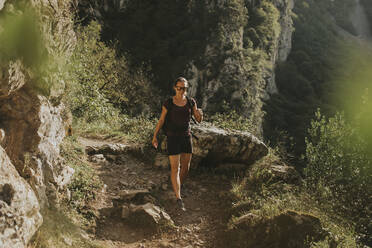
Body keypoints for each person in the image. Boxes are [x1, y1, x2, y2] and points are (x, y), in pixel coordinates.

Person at [152, 77, 203, 211]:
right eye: (179, 88)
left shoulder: (191, 102)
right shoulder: (169, 102)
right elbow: (162, 120)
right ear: (175, 88)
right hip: (173, 138)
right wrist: (155, 136)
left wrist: (199, 114)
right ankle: (178, 197)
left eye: (184, 88)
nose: (181, 90)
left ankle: (176, 185)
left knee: (186, 167)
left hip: (186, 137)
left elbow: (198, 120)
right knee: (175, 168)